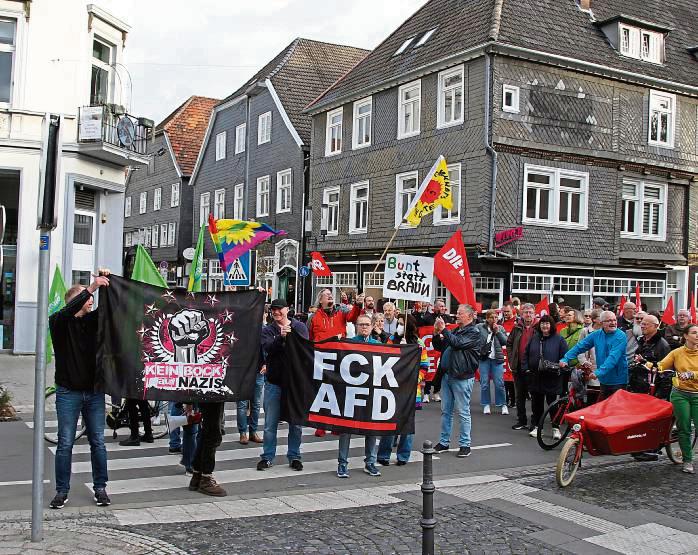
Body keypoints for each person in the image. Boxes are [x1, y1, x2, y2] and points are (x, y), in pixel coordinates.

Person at [48, 272, 111, 509]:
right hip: (68, 392)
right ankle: (61, 491)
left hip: (94, 392)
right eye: (86, 299)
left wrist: (107, 285)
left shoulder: (91, 320)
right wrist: (92, 286)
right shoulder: (58, 322)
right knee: (65, 442)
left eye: (91, 298)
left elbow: (108, 310)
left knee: (98, 442)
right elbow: (70, 309)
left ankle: (101, 488)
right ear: (74, 300)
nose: (90, 301)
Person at [257, 299, 308, 472]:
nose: (277, 312)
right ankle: (267, 456)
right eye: (274, 310)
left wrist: (292, 336)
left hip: (294, 383)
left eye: (280, 309)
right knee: (270, 424)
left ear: (287, 309)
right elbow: (268, 348)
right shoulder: (267, 330)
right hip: (274, 382)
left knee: (296, 423)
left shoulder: (299, 327)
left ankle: (294, 456)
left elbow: (305, 348)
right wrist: (281, 337)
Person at [377, 315, 428, 466]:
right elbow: (384, 360)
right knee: (389, 423)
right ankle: (384, 455)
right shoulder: (392, 340)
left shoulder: (419, 344)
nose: (398, 326)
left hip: (411, 390)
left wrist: (414, 379)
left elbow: (424, 367)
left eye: (401, 324)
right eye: (398, 323)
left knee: (407, 425)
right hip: (393, 388)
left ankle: (403, 456)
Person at [432, 304, 482, 458]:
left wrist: (444, 330)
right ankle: (444, 442)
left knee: (463, 411)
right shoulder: (455, 330)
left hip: (462, 376)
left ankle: (465, 444)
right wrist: (436, 333)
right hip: (448, 375)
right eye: (457, 313)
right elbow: (440, 346)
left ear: (470, 316)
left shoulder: (474, 332)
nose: (457, 316)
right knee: (446, 411)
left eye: (460, 313)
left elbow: (457, 343)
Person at [337, 314, 382, 478]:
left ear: (371, 326)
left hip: (370, 392)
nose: (364, 327)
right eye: (361, 324)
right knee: (346, 428)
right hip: (351, 391)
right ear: (356, 326)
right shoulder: (349, 343)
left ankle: (370, 462)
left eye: (367, 324)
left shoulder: (377, 344)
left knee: (371, 428)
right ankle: (342, 463)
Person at [560, 311, 628, 400]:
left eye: (614, 320)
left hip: (618, 380)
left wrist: (598, 372)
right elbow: (581, 346)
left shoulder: (621, 336)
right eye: (609, 320)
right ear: (601, 322)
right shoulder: (596, 334)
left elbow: (613, 358)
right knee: (602, 408)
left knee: (614, 411)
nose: (613, 323)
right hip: (604, 380)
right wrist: (566, 358)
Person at [658, 324, 698, 474]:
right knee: (684, 428)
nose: (697, 335)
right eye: (694, 333)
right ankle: (687, 460)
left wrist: (692, 374)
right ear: (686, 336)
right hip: (680, 394)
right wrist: (649, 365)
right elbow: (662, 365)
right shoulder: (677, 353)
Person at [522, 315, 569, 439]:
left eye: (547, 323)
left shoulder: (559, 339)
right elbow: (525, 354)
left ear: (552, 325)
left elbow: (565, 356)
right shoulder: (535, 338)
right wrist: (526, 368)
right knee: (536, 404)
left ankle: (555, 428)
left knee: (553, 404)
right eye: (542, 323)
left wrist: (562, 366)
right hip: (535, 376)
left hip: (552, 376)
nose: (545, 326)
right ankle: (537, 426)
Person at [506, 303, 537, 430]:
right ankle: (522, 420)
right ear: (521, 314)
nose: (528, 314)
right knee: (520, 395)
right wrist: (511, 357)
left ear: (534, 314)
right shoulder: (517, 327)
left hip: (533, 367)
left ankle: (535, 422)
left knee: (535, 395)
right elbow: (509, 343)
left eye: (530, 312)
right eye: (526, 312)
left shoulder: (538, 328)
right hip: (518, 365)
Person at [477, 310, 508, 415]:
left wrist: (497, 332)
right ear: (487, 318)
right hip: (484, 359)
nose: (494, 319)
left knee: (499, 383)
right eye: (491, 317)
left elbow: (505, 342)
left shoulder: (501, 328)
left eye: (496, 317)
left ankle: (503, 404)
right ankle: (486, 404)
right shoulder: (480, 327)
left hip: (497, 359)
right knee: (484, 383)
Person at [631, 314, 671, 397]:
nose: (642, 326)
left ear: (656, 326)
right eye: (642, 324)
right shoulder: (641, 340)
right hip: (637, 385)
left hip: (652, 389)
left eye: (646, 324)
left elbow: (665, 372)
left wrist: (659, 395)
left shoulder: (663, 345)